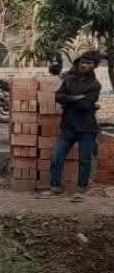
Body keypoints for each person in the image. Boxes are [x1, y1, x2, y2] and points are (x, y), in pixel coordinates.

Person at [39, 52, 102, 202]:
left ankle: (80, 190)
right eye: (83, 62)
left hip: (87, 128)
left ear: (94, 66)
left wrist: (67, 101)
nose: (84, 65)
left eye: (89, 63)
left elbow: (84, 105)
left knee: (85, 160)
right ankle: (55, 188)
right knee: (56, 156)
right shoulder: (69, 80)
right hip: (68, 127)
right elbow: (57, 97)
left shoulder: (95, 85)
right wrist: (74, 98)